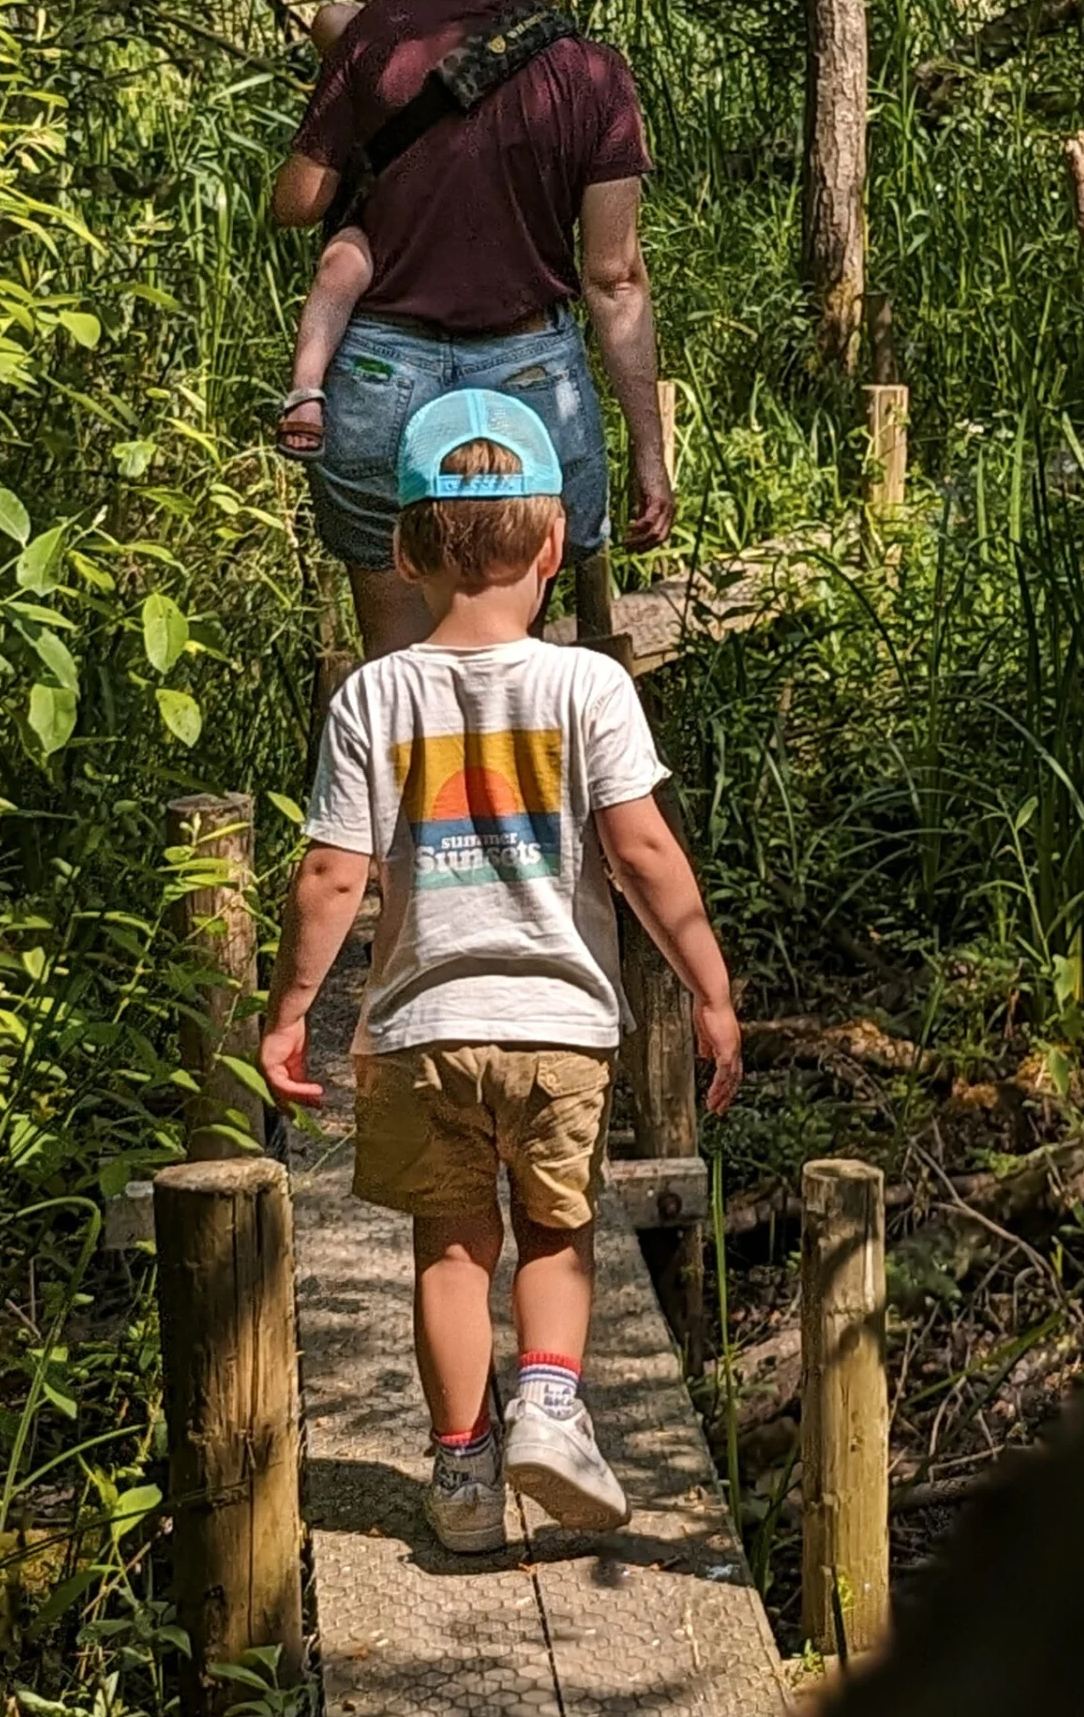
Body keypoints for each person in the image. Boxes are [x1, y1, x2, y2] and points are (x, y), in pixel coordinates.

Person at [259, 387, 742, 1552]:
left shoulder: (373, 696)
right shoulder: (589, 688)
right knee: (557, 1231)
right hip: (560, 1027)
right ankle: (553, 1410)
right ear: (553, 545)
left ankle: (464, 1473)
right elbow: (642, 853)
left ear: (405, 549)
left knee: (449, 1248)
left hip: (421, 1033)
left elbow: (330, 875)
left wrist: (289, 1013)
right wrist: (711, 989)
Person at [269, 0, 675, 659]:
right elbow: (614, 280)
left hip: (380, 373)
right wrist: (649, 453)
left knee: (396, 670)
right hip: (529, 381)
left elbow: (297, 202)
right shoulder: (595, 76)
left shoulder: (379, 37)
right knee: (506, 665)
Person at [276, 0, 472, 461]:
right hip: (372, 216)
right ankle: (305, 392)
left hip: (434, 220)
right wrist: (388, 21)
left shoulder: (468, 49)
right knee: (340, 267)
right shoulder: (376, 49)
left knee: (342, 267)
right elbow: (331, 18)